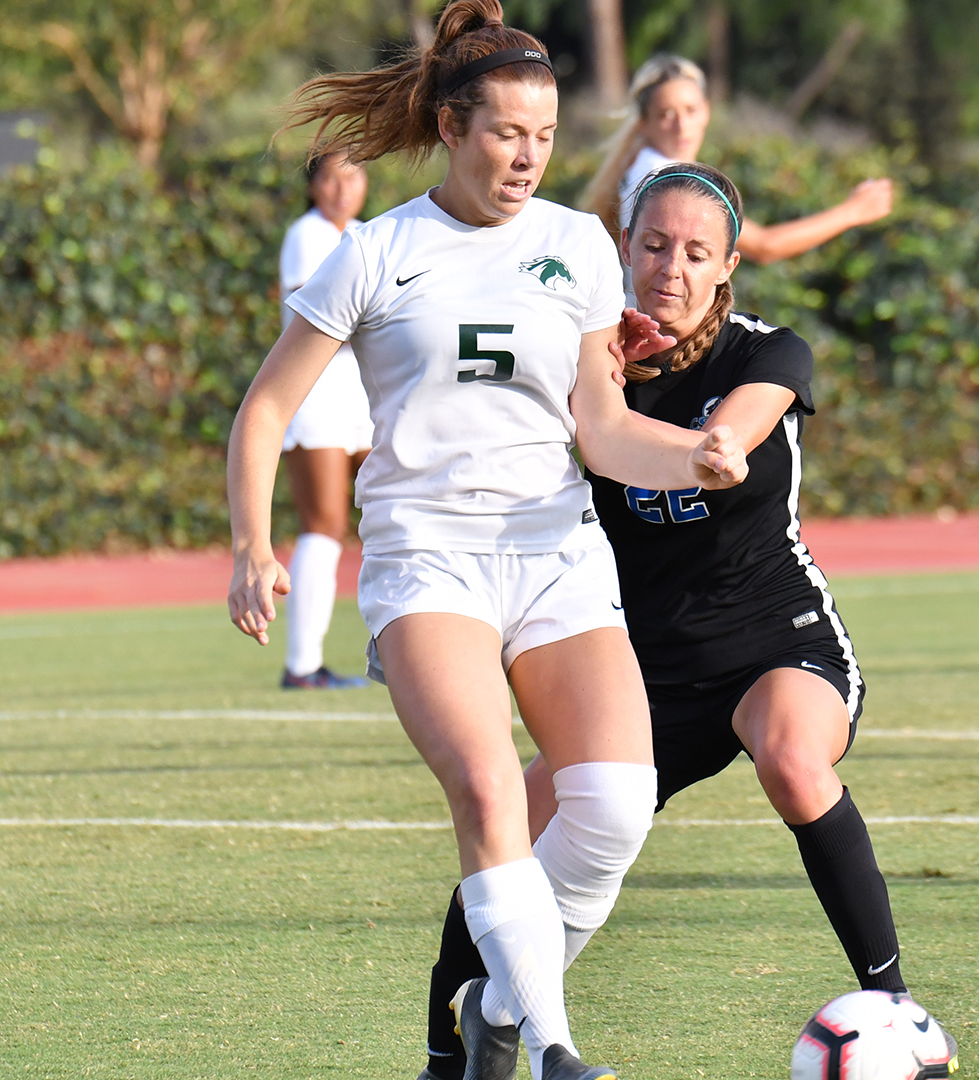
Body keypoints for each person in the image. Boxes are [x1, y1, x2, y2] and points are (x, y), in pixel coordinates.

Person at [225, 4, 750, 1079]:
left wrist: (693, 454)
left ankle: (497, 1001)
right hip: (428, 560)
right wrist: (251, 543)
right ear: (455, 128)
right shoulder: (377, 253)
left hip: (556, 553)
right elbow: (264, 411)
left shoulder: (574, 247)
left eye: (546, 137)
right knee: (489, 789)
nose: (527, 157)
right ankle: (552, 1046)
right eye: (507, 133)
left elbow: (601, 430)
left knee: (611, 804)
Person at [417, 163, 943, 1080]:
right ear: (623, 248)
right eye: (654, 244)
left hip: (778, 635)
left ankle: (893, 1003)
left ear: (729, 263)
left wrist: (713, 445)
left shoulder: (768, 352)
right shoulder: (582, 370)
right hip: (644, 665)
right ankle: (451, 1044)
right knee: (516, 816)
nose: (672, 267)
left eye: (697, 252)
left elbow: (737, 430)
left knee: (789, 754)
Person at [578, 54, 894, 261]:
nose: (681, 125)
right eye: (665, 114)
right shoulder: (667, 178)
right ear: (644, 124)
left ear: (706, 112)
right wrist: (853, 212)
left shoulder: (645, 167)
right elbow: (766, 246)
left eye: (690, 110)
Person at [277, 152, 375, 689]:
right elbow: (310, 311)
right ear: (314, 185)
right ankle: (302, 666)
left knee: (394, 507)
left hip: (363, 397)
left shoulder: (367, 234)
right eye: (331, 177)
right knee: (325, 524)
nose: (343, 188)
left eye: (354, 175)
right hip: (314, 395)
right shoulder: (306, 234)